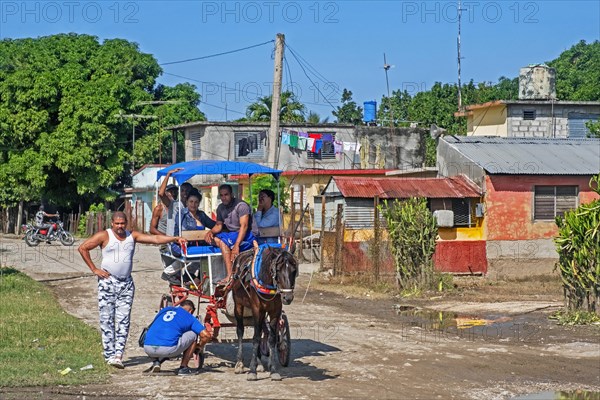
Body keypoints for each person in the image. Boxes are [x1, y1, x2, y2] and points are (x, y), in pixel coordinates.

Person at [78, 211, 187, 369]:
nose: (120, 226)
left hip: (126, 284)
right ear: (112, 224)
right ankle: (109, 354)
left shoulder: (132, 236)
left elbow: (155, 239)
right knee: (107, 319)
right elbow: (83, 248)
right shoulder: (104, 236)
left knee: (123, 320)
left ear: (126, 223)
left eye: (123, 223)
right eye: (117, 223)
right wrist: (94, 269)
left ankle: (118, 355)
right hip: (108, 282)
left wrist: (174, 238)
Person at [143, 299, 212, 375]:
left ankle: (156, 361)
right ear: (190, 311)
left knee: (163, 333)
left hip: (147, 348)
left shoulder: (165, 310)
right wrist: (199, 346)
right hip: (168, 349)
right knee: (193, 334)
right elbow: (206, 335)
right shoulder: (189, 317)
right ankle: (183, 368)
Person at [205, 184, 256, 284]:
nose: (224, 197)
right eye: (222, 195)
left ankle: (230, 275)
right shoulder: (220, 208)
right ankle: (229, 257)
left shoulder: (241, 206)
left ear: (232, 194)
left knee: (223, 243)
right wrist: (210, 232)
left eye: (226, 194)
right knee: (212, 239)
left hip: (247, 234)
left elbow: (244, 226)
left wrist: (236, 245)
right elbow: (219, 225)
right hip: (232, 234)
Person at [158, 168, 193, 236]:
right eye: (182, 190)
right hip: (173, 241)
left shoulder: (193, 206)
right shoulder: (173, 204)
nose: (185, 193)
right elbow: (161, 194)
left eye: (187, 190)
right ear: (180, 192)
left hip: (186, 239)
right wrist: (168, 175)